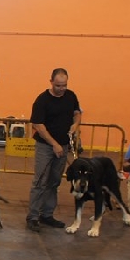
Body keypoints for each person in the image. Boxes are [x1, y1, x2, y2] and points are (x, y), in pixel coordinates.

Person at [26, 68, 82, 232]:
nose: (61, 89)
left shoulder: (71, 96)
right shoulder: (42, 100)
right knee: (40, 181)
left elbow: (77, 112)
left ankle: (47, 214)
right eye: (58, 85)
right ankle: (33, 216)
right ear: (51, 82)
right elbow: (38, 125)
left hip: (63, 146)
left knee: (54, 181)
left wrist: (76, 124)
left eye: (64, 85)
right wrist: (54, 144)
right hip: (45, 147)